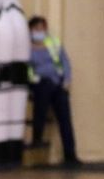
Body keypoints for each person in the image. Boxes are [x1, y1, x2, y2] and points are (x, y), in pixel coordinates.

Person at [28, 15, 79, 166]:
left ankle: (70, 155)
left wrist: (66, 80)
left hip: (58, 83)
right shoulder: (26, 48)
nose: (40, 31)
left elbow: (65, 62)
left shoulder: (53, 43)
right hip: (39, 83)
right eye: (37, 28)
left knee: (65, 118)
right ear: (30, 30)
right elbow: (27, 69)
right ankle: (37, 137)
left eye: (43, 28)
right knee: (44, 93)